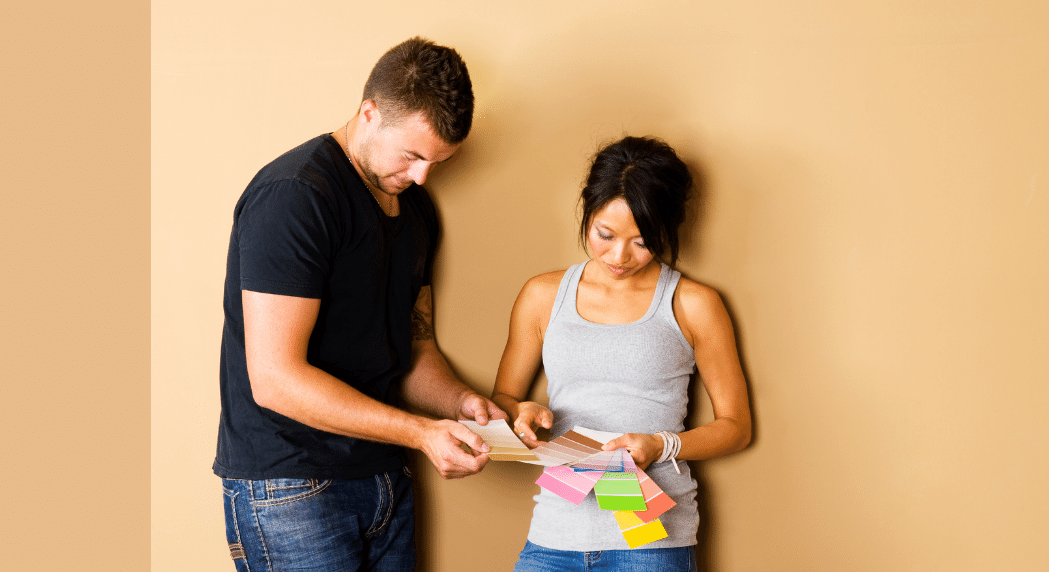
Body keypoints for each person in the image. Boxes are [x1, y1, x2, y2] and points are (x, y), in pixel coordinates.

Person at [213, 37, 508, 572]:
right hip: (292, 485)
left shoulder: (416, 210)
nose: (422, 177)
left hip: (383, 478)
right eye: (413, 155)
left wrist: (459, 402)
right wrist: (421, 433)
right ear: (369, 113)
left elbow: (413, 350)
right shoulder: (295, 197)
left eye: (437, 162)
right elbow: (275, 379)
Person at [491, 136, 755, 571]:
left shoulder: (693, 303)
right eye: (605, 234)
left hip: (652, 546)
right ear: (587, 210)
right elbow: (503, 398)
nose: (619, 256)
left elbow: (736, 427)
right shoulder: (542, 295)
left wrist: (660, 445)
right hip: (555, 534)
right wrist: (522, 413)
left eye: (643, 241)